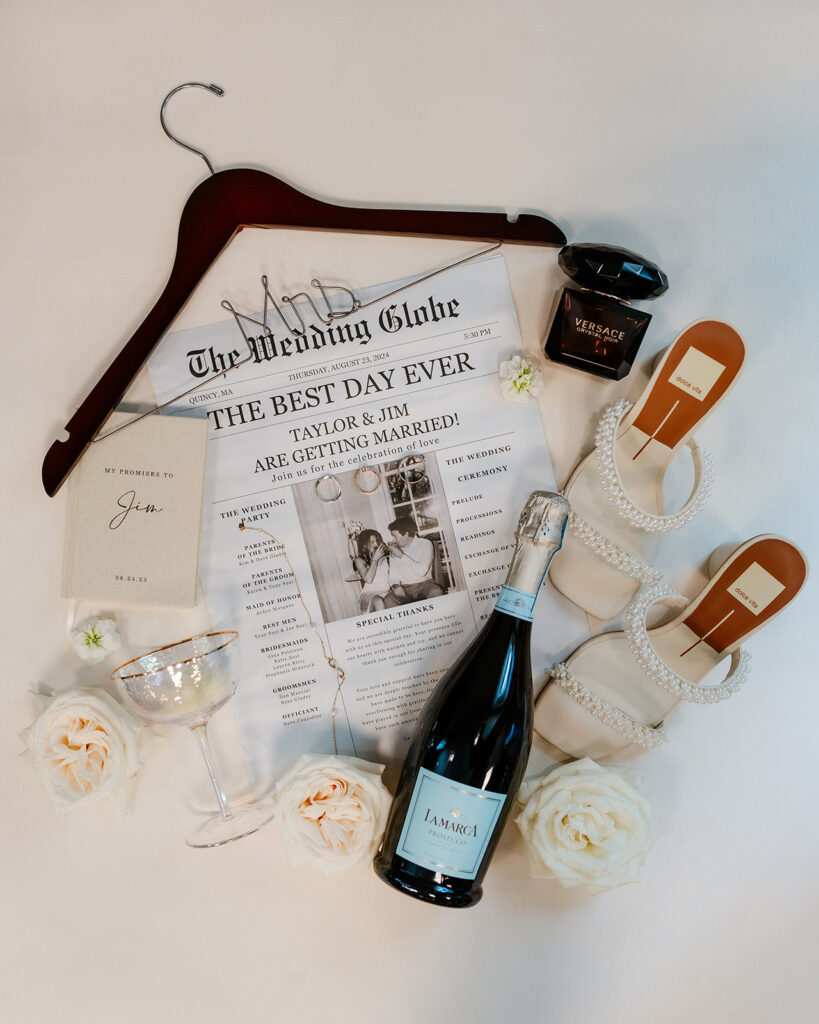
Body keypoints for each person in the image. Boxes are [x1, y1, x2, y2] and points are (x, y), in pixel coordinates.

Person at [383, 516, 444, 607]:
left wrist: (401, 555)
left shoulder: (425, 544)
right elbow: (393, 576)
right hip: (405, 589)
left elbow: (421, 572)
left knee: (436, 591)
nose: (394, 540)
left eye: (395, 537)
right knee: (389, 600)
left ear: (406, 534)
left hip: (425, 585)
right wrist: (396, 586)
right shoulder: (395, 550)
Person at [352, 529, 391, 612]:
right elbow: (368, 579)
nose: (376, 544)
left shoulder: (387, 557)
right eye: (372, 542)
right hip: (369, 594)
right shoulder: (359, 560)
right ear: (365, 545)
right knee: (378, 601)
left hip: (386, 592)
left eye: (377, 541)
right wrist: (374, 560)